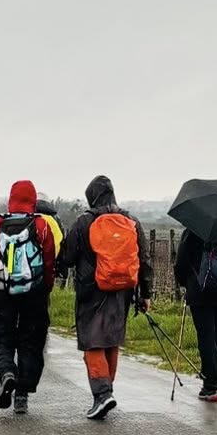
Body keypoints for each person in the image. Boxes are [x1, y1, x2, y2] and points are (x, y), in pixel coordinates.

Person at [56, 176, 148, 420]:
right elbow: (144, 260)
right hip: (123, 291)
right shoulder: (132, 221)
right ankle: (107, 390)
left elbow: (68, 258)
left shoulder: (83, 222)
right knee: (111, 340)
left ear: (91, 197)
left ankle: (102, 394)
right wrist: (146, 294)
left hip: (91, 290)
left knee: (92, 341)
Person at [0, 179, 56, 414]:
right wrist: (46, 287)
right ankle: (22, 395)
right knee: (31, 340)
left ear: (11, 199)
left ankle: (7, 373)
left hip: (4, 292)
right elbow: (49, 262)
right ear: (33, 200)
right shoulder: (41, 225)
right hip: (34, 293)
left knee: (1, 338)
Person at [175, 229, 217, 403]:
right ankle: (212, 377)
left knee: (206, 336)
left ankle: (211, 385)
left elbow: (181, 262)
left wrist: (185, 283)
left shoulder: (195, 229)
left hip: (200, 290)